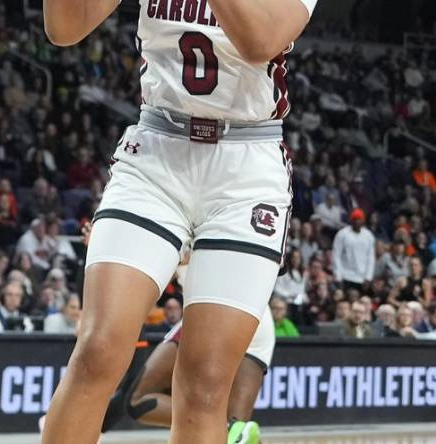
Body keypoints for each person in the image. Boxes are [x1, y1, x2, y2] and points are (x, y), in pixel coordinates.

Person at [40, 0, 317, 440]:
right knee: (97, 351)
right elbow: (64, 28)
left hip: (246, 168)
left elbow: (260, 41)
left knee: (205, 385)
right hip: (156, 152)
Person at [102, 307, 276, 444]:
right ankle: (228, 427)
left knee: (139, 400)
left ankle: (224, 426)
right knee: (237, 433)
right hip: (259, 315)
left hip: (214, 311)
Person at [332, 208, 376, 292]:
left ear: (363, 221)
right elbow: (336, 256)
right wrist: (338, 276)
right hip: (346, 276)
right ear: (351, 220)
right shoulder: (342, 234)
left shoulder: (368, 236)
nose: (357, 222)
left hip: (362, 277)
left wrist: (368, 277)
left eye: (359, 219)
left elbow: (371, 258)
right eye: (354, 219)